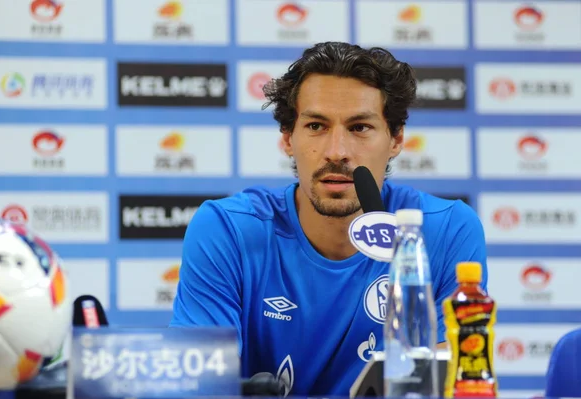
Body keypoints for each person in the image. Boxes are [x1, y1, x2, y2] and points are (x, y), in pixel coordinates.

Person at [170, 41, 488, 396]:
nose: (337, 151)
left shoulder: (446, 231)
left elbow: (452, 385)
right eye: (317, 126)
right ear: (288, 138)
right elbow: (198, 385)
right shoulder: (227, 230)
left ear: (396, 139)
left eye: (360, 128)